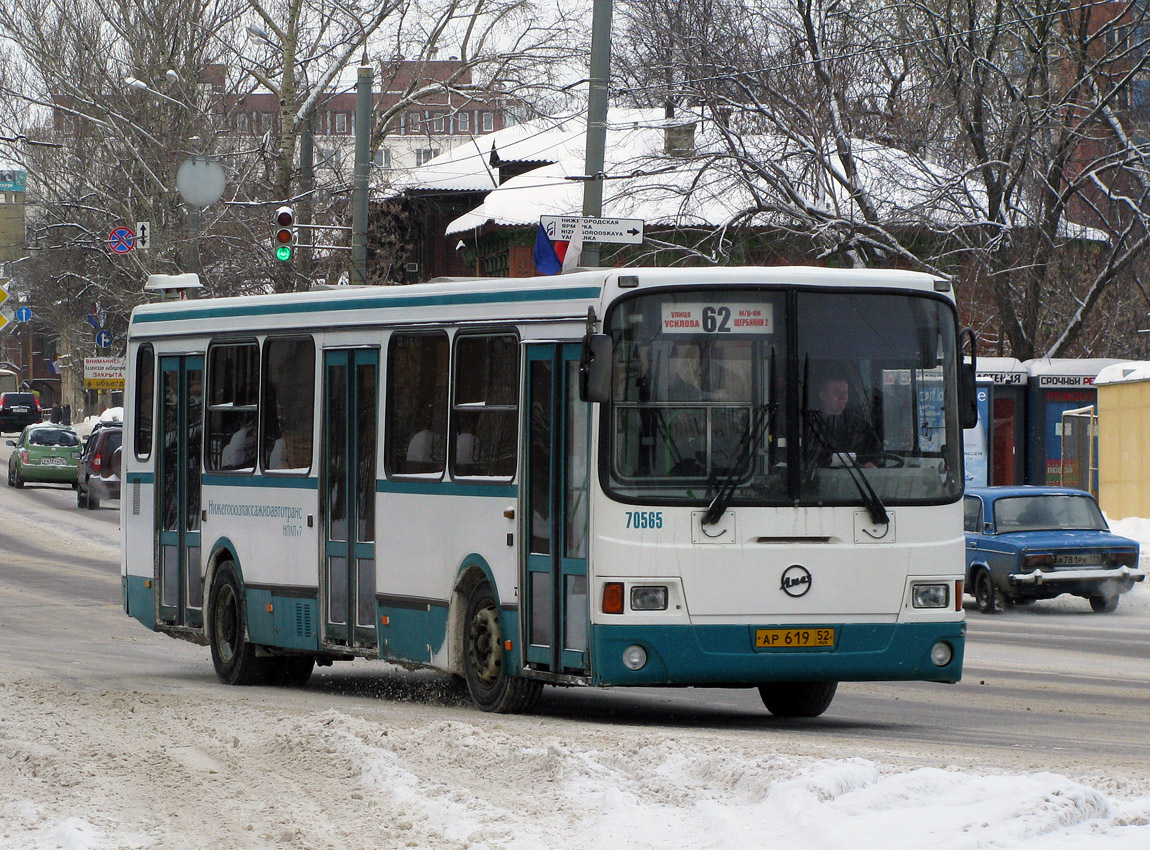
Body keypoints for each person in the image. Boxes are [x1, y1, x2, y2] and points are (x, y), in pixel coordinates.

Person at [808, 368, 882, 467]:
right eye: (836, 393)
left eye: (845, 393)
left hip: (856, 480)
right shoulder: (809, 424)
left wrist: (871, 464)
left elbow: (878, 454)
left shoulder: (859, 425)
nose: (842, 397)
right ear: (822, 395)